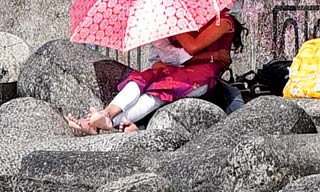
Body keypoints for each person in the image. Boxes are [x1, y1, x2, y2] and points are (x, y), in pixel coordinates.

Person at [69, 9, 245, 134]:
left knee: (160, 92)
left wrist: (174, 23)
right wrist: (211, 55)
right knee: (142, 79)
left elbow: (192, 47)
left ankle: (105, 123)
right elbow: (173, 56)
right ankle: (105, 114)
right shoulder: (190, 21)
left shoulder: (223, 20)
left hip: (199, 75)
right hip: (177, 68)